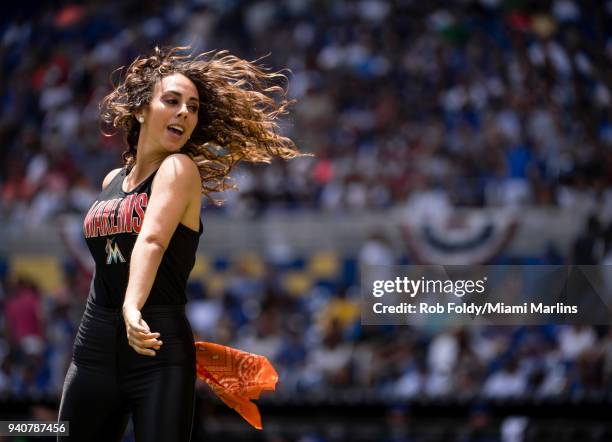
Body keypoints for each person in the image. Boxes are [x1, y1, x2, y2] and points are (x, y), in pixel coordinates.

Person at [57, 46, 304, 442]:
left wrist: (132, 306)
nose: (185, 112)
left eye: (193, 106)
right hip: (94, 348)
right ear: (141, 110)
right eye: (172, 101)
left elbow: (152, 239)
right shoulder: (111, 181)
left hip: (157, 348)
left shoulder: (179, 169)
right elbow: (108, 264)